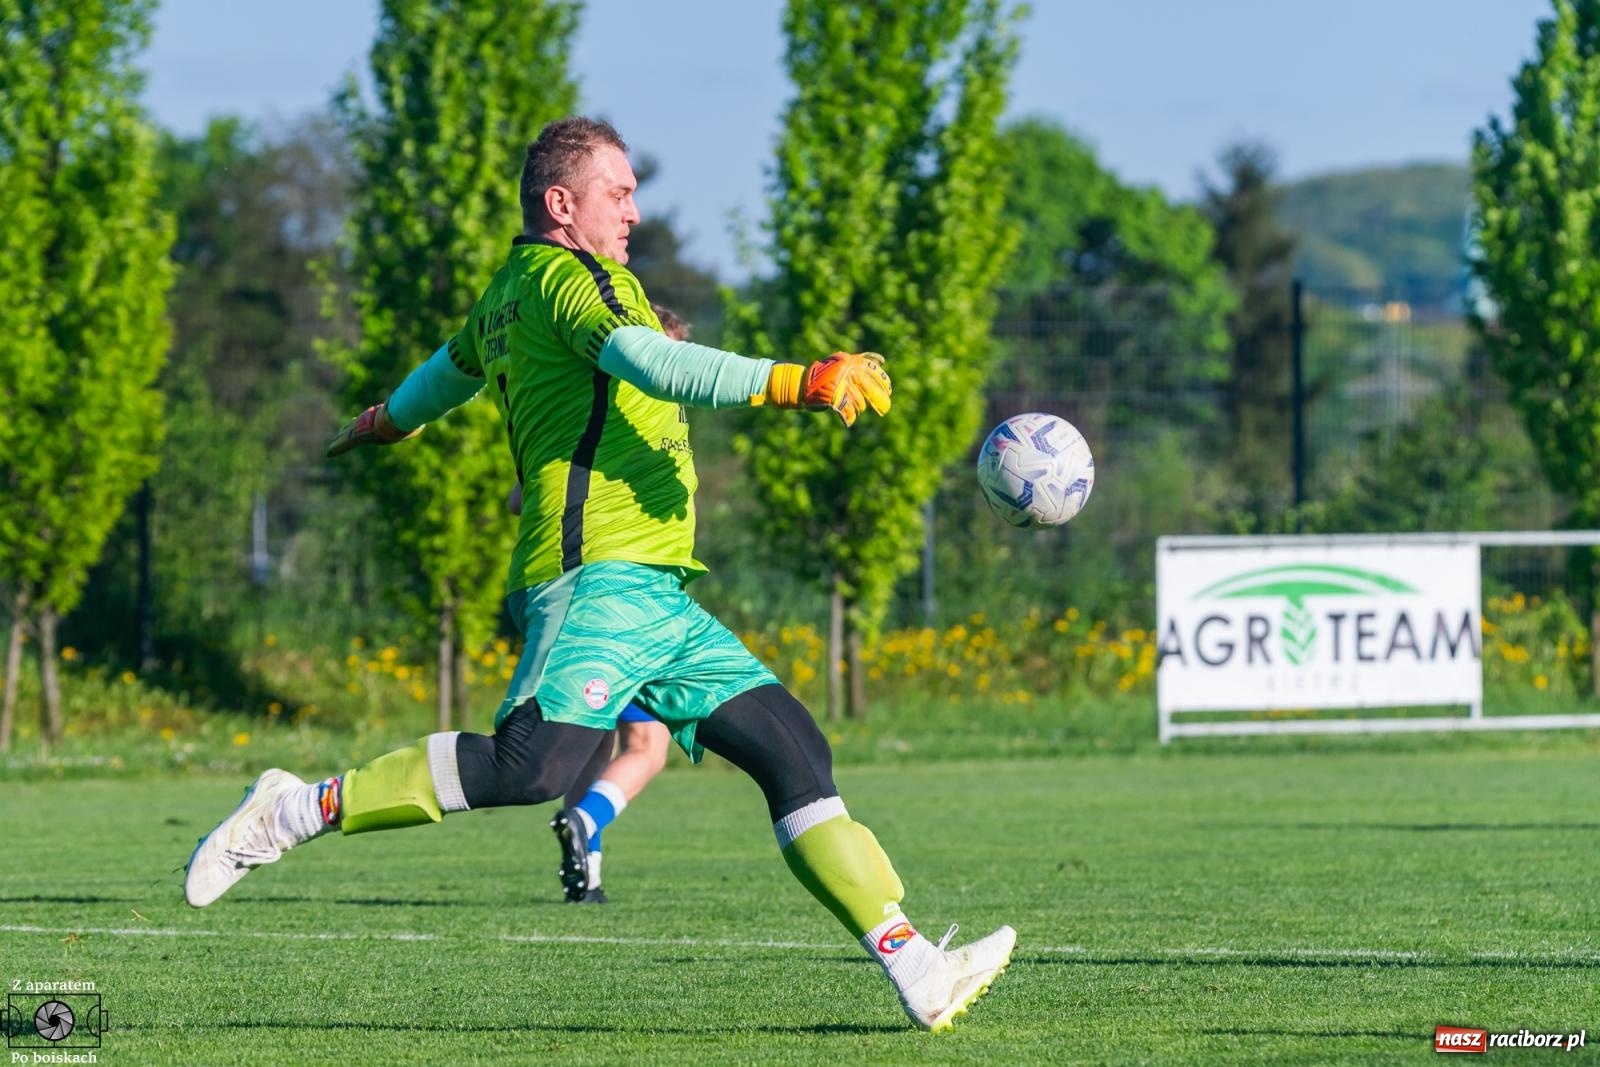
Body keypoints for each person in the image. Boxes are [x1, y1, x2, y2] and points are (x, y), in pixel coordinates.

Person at [182, 117, 1014, 1032]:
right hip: (596, 578)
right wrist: (796, 381)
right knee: (530, 768)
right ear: (561, 204)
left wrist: (390, 418)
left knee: (794, 750)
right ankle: (294, 808)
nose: (635, 211)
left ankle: (918, 968)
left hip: (658, 593)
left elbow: (444, 374)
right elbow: (651, 359)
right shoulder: (572, 280)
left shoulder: (509, 293)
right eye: (618, 193)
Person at [510, 302, 689, 905]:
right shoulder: (623, 424)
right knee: (649, 746)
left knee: (592, 739)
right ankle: (586, 822)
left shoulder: (582, 417)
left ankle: (588, 872)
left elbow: (521, 496)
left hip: (573, 597)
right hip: (619, 602)